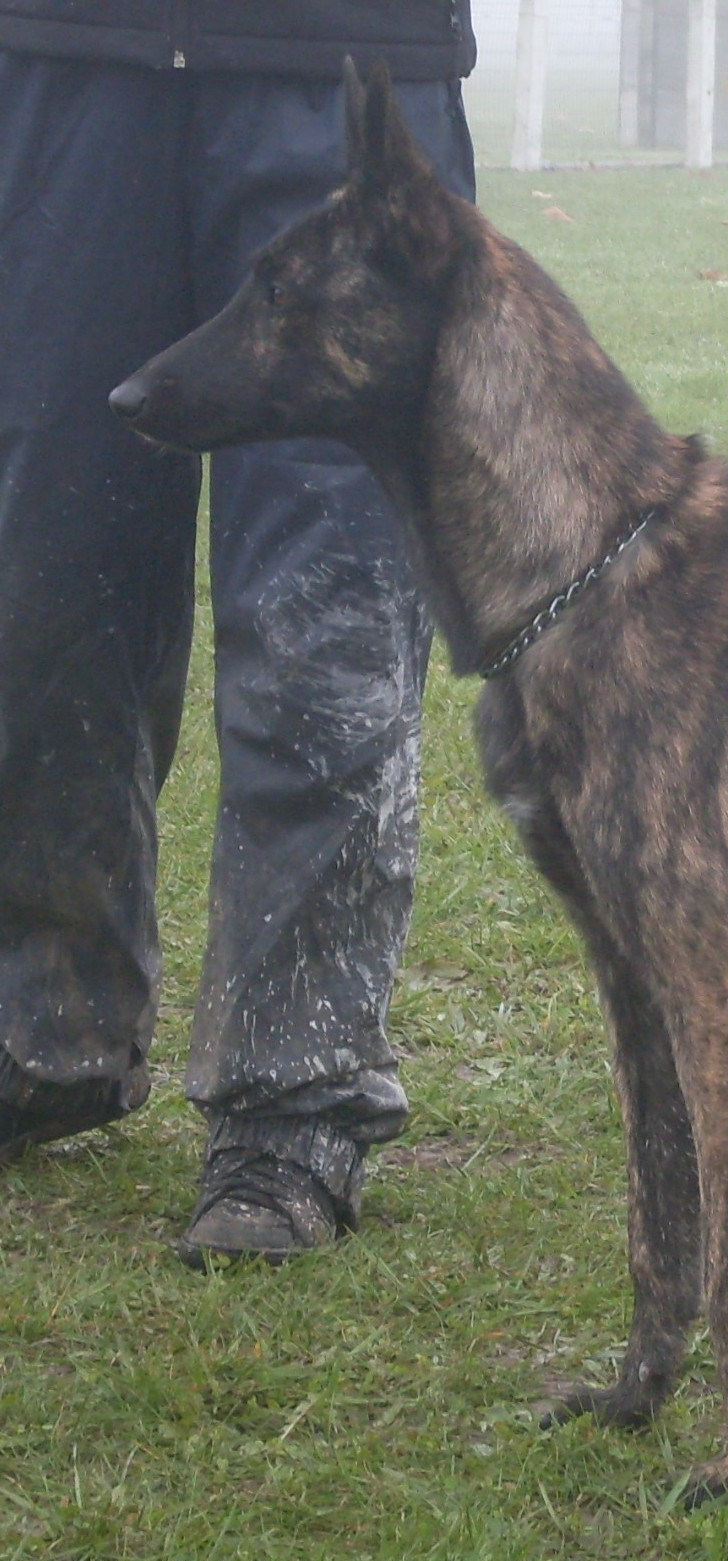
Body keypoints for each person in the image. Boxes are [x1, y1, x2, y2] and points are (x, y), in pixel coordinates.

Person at [0, 2, 477, 1264]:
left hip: (340, 66)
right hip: (66, 55)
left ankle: (295, 1101)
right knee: (40, 588)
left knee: (323, 621)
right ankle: (44, 1031)